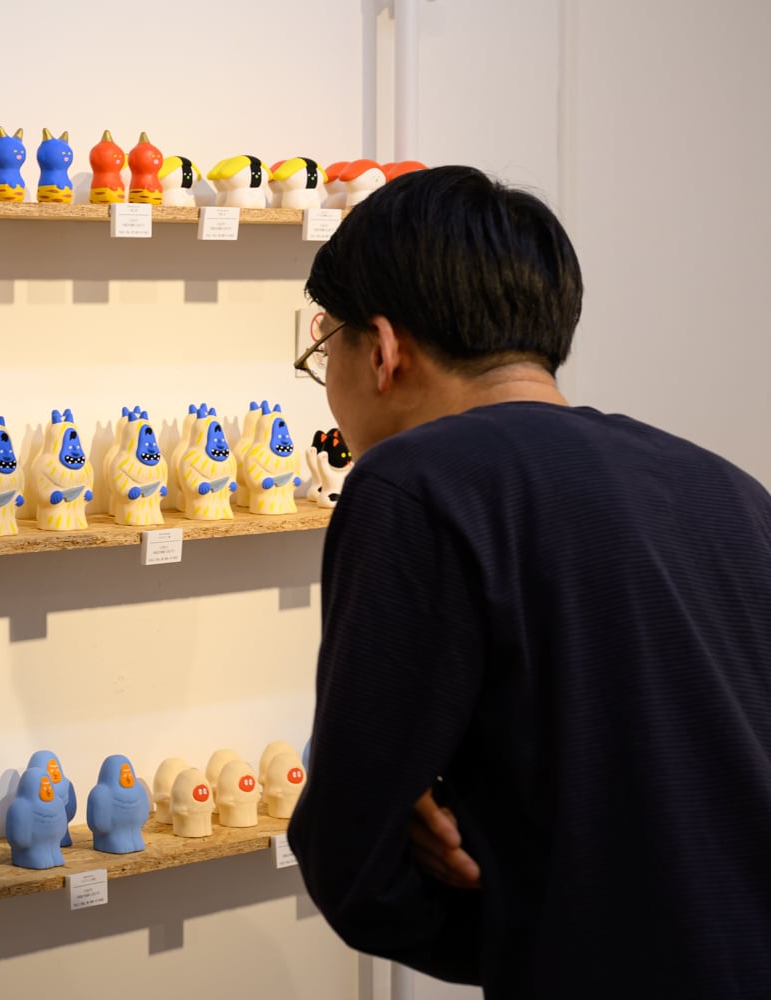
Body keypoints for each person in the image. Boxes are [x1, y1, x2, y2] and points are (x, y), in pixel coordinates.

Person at [285, 165, 771, 998]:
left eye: (325, 348)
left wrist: (521, 919)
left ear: (384, 350)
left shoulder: (415, 483)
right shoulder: (727, 488)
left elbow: (349, 850)